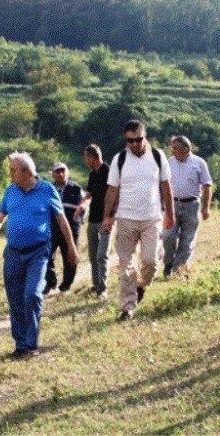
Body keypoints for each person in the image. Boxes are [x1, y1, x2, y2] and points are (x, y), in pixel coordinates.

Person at [0, 152, 79, 358]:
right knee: (15, 299)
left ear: (27, 172)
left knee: (32, 295)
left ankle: (31, 343)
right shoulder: (11, 190)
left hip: (38, 251)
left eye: (13, 171)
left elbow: (62, 220)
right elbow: (0, 216)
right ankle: (21, 345)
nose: (10, 174)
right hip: (13, 253)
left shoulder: (47, 190)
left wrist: (71, 247)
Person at [103, 120, 174, 321]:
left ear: (145, 136)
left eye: (138, 139)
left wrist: (171, 214)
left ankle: (141, 286)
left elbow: (167, 188)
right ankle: (127, 308)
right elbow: (112, 190)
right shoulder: (120, 159)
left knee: (150, 262)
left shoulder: (158, 157)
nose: (134, 144)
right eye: (130, 141)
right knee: (126, 265)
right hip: (125, 219)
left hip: (152, 219)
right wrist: (107, 216)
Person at [161, 135, 213, 279]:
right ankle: (168, 263)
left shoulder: (199, 163)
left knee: (187, 241)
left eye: (176, 149)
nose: (173, 151)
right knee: (167, 236)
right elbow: (162, 184)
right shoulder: (169, 162)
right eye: (173, 149)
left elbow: (207, 185)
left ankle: (178, 271)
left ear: (186, 149)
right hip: (172, 205)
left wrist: (206, 207)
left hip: (192, 205)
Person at [75, 145, 111, 299]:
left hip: (105, 219)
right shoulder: (92, 174)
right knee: (92, 256)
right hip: (93, 220)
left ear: (92, 157)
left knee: (102, 255)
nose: (86, 161)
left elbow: (114, 194)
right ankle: (97, 286)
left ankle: (103, 289)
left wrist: (110, 217)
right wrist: (81, 206)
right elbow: (88, 195)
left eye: (86, 158)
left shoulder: (109, 172)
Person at [44, 162, 84, 294]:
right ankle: (50, 282)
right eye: (57, 171)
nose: (60, 173)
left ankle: (66, 284)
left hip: (71, 229)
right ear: (53, 174)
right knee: (46, 255)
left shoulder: (76, 189)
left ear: (68, 172)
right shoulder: (48, 189)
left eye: (63, 170)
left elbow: (84, 207)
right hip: (52, 229)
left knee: (70, 258)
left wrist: (78, 223)